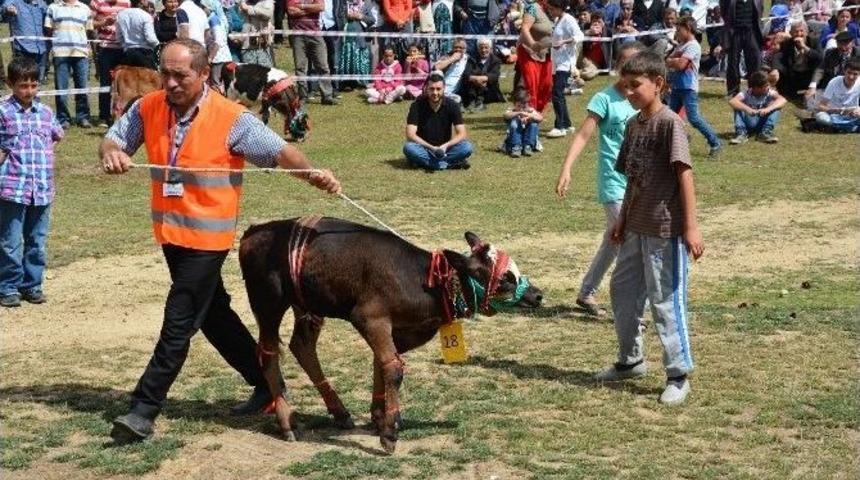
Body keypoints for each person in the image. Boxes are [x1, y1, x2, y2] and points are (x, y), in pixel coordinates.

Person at [98, 39, 342, 443]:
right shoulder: (149, 106)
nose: (171, 82)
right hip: (171, 235)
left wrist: (316, 174)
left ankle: (143, 409)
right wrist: (112, 153)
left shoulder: (232, 119)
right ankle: (267, 385)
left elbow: (280, 154)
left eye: (181, 75)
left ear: (203, 74)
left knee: (179, 321)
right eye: (166, 73)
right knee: (213, 315)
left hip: (207, 241)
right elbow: (113, 138)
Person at [594, 50, 701, 407]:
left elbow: (684, 175)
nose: (628, 93)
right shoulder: (633, 124)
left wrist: (691, 227)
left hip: (664, 229)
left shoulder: (670, 123)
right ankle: (631, 360)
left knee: (665, 300)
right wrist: (622, 219)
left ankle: (678, 373)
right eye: (624, 86)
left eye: (635, 86)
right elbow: (634, 180)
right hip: (635, 225)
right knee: (622, 291)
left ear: (658, 83)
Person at [555, 41, 643, 317]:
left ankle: (587, 292)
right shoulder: (604, 98)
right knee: (628, 239)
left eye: (636, 65)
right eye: (625, 64)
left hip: (638, 181)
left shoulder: (642, 98)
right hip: (613, 181)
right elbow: (583, 135)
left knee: (612, 240)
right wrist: (567, 168)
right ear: (617, 67)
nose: (630, 70)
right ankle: (631, 305)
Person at [0, 58, 64, 308]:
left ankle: (32, 285)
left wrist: (46, 152)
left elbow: (57, 135)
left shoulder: (46, 113)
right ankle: (8, 286)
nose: (29, 91)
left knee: (37, 240)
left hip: (42, 188)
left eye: (33, 85)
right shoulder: (4, 112)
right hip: (12, 188)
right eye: (23, 86)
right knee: (10, 241)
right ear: (10, 84)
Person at [666, 15, 722, 157]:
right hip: (677, 87)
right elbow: (667, 59)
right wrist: (673, 60)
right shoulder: (681, 45)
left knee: (694, 118)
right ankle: (683, 137)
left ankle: (716, 143)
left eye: (679, 29)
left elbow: (680, 64)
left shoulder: (693, 46)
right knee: (670, 117)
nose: (677, 33)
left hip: (688, 88)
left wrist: (673, 60)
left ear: (688, 29)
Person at [403, 72, 473, 171]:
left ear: (444, 89)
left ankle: (429, 164)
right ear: (426, 88)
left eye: (438, 89)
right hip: (424, 148)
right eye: (431, 89)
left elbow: (462, 133)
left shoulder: (452, 105)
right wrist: (432, 148)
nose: (435, 93)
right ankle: (448, 164)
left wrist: (445, 146)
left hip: (445, 149)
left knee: (467, 147)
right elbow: (410, 135)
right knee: (409, 148)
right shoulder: (417, 106)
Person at [44, 0, 94, 129]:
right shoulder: (53, 7)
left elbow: (89, 30)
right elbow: (48, 30)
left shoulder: (85, 8)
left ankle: (83, 117)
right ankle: (63, 119)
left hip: (80, 53)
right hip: (60, 53)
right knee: (61, 89)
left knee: (82, 87)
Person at [287, 0, 338, 104]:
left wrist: (301, 6)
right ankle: (303, 96)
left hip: (315, 34)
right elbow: (291, 11)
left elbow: (320, 7)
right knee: (300, 68)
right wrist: (310, 8)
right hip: (298, 35)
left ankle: (327, 96)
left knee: (323, 66)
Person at [91, 0, 131, 128]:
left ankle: (120, 115)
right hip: (105, 49)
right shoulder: (96, 2)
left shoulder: (127, 3)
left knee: (123, 86)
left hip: (123, 49)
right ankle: (103, 116)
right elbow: (89, 24)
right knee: (105, 83)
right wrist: (104, 23)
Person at [546, 0, 583, 138]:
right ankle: (567, 124)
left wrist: (564, 42)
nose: (550, 11)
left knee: (556, 93)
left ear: (559, 8)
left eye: (552, 8)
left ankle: (559, 126)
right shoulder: (557, 20)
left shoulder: (569, 20)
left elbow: (580, 36)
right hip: (556, 62)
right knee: (559, 93)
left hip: (565, 62)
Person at [728, 70, 787, 144]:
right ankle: (741, 133)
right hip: (749, 121)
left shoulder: (770, 92)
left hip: (763, 122)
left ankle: (765, 133)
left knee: (776, 107)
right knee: (738, 107)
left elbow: (783, 100)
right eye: (765, 86)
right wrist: (748, 109)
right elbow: (732, 101)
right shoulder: (746, 93)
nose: (768, 87)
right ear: (756, 88)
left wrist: (768, 109)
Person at [720, 0, 764, 97]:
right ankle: (733, 91)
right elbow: (724, 11)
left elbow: (760, 9)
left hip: (752, 31)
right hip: (734, 32)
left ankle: (755, 90)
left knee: (755, 61)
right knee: (733, 62)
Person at [517, 0, 554, 113]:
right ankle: (530, 111)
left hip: (545, 54)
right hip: (529, 52)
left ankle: (537, 110)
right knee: (531, 83)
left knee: (547, 84)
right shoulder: (532, 8)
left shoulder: (551, 10)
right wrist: (533, 44)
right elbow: (524, 28)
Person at [772, 21, 823, 102]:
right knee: (786, 91)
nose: (799, 34)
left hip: (809, 75)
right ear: (791, 33)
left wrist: (805, 47)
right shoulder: (787, 43)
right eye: (796, 31)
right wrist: (776, 70)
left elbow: (820, 58)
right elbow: (778, 56)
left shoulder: (814, 41)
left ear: (806, 32)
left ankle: (810, 91)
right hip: (794, 75)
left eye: (802, 31)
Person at [1, 0, 49, 83]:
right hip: (23, 49)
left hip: (41, 49)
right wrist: (8, 9)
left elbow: (49, 17)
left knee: (37, 82)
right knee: (23, 81)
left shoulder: (41, 4)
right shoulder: (14, 2)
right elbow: (4, 8)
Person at [806, 31, 860, 103]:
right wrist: (812, 86)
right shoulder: (830, 53)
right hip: (832, 87)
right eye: (840, 44)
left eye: (846, 44)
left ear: (852, 43)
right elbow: (820, 69)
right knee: (809, 99)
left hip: (853, 88)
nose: (843, 48)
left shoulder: (858, 54)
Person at [813, 57, 860, 132]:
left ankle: (840, 127)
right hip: (834, 115)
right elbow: (821, 106)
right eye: (849, 72)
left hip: (853, 116)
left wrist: (858, 110)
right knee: (821, 117)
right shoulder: (834, 82)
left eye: (855, 74)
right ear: (844, 71)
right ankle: (851, 128)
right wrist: (837, 111)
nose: (851, 77)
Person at [462, 37, 504, 111]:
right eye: (481, 48)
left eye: (486, 47)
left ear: (490, 49)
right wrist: (477, 79)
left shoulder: (496, 60)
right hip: (472, 88)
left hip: (489, 89)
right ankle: (472, 102)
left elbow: (495, 75)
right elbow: (466, 74)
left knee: (484, 81)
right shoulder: (472, 59)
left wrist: (481, 79)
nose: (483, 50)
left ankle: (480, 102)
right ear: (478, 49)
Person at [116, 0, 160, 70]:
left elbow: (119, 38)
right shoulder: (146, 16)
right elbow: (151, 39)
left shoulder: (120, 14)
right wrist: (157, 45)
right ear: (142, 1)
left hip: (127, 53)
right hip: (145, 54)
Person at [502, 89, 543, 157]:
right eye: (518, 106)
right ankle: (516, 147)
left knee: (533, 124)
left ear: (528, 104)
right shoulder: (512, 110)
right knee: (514, 123)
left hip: (528, 138)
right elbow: (506, 116)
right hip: (514, 139)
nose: (521, 109)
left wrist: (529, 116)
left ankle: (528, 146)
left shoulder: (530, 111)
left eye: (524, 107)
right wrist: (519, 113)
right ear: (514, 104)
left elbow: (540, 118)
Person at [237, 0, 274, 66]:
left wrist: (249, 9)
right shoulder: (243, 3)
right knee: (250, 72)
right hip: (247, 45)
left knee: (265, 71)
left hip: (263, 44)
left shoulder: (267, 2)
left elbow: (268, 14)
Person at [433, 37, 470, 103]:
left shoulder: (468, 59)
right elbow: (436, 67)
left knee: (457, 99)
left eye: (461, 48)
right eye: (456, 47)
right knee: (436, 72)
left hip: (456, 88)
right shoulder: (447, 56)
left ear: (465, 49)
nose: (458, 49)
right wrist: (452, 59)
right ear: (452, 48)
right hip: (442, 85)